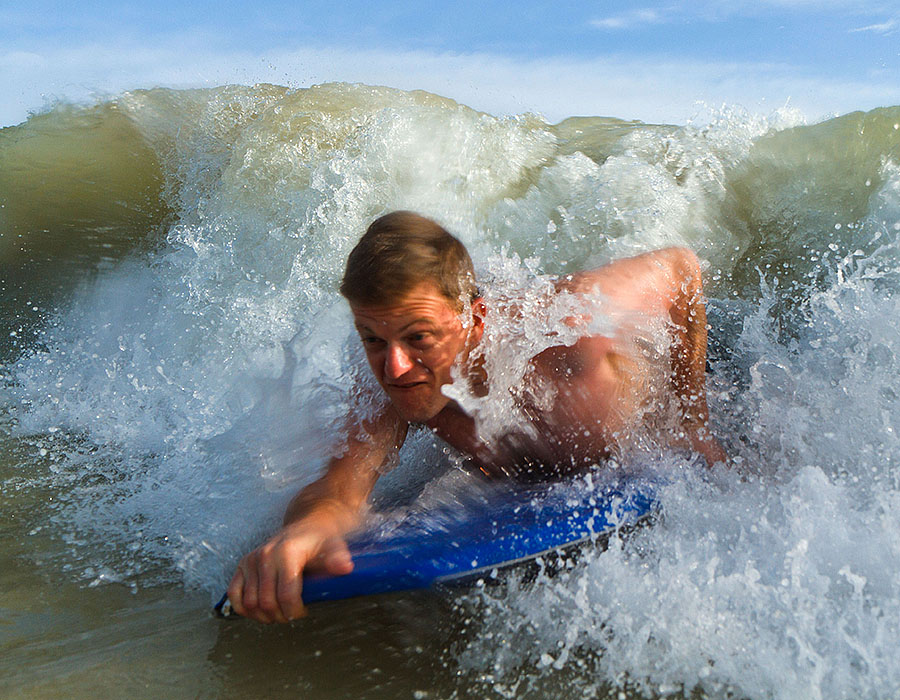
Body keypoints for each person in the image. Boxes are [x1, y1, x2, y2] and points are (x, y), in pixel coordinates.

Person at [227, 211, 725, 623]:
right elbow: (341, 488)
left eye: (419, 337)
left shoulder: (569, 332)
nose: (394, 368)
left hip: (697, 373)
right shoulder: (393, 383)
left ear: (474, 321)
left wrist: (691, 420)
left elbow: (681, 269)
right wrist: (305, 531)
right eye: (372, 338)